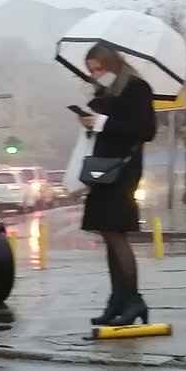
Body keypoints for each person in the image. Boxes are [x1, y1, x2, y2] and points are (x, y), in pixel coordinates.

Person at [78, 45, 156, 326]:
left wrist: (104, 122)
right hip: (102, 169)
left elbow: (147, 131)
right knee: (108, 234)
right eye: (91, 70)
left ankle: (134, 300)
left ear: (113, 65)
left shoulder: (137, 88)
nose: (95, 74)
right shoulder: (104, 93)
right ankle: (118, 300)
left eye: (99, 69)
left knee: (116, 232)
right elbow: (103, 130)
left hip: (122, 169)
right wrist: (90, 122)